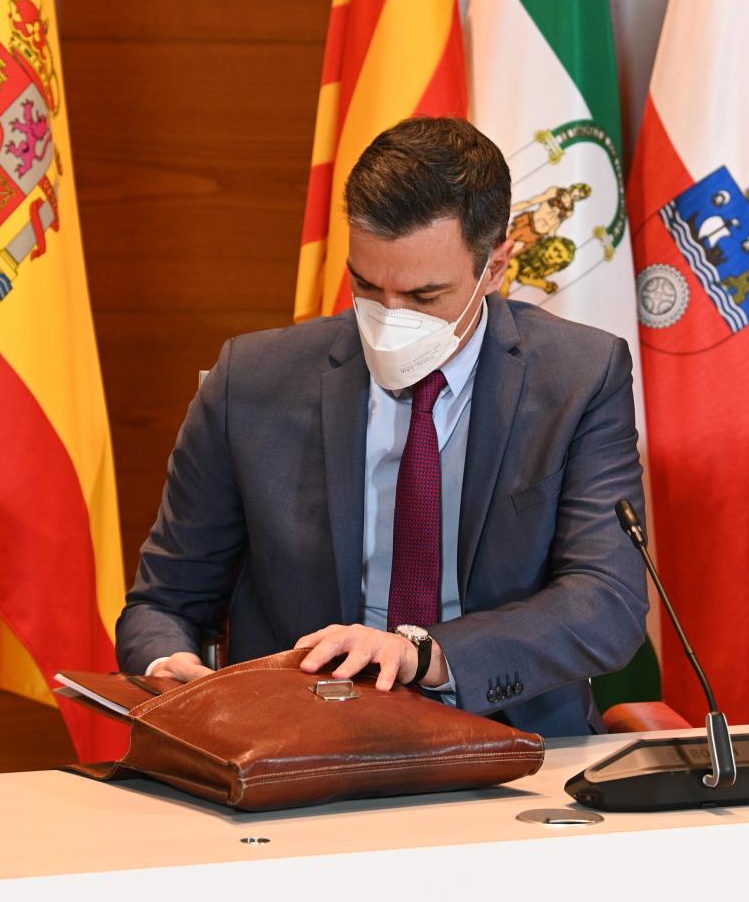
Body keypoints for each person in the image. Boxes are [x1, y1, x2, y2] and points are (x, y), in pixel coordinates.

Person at [115, 116, 647, 737]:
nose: (390, 318)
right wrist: (163, 661)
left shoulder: (580, 375)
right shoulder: (251, 380)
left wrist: (427, 655)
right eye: (367, 286)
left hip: (512, 740)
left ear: (495, 267)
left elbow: (605, 602)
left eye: (425, 297)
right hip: (298, 743)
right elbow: (164, 601)